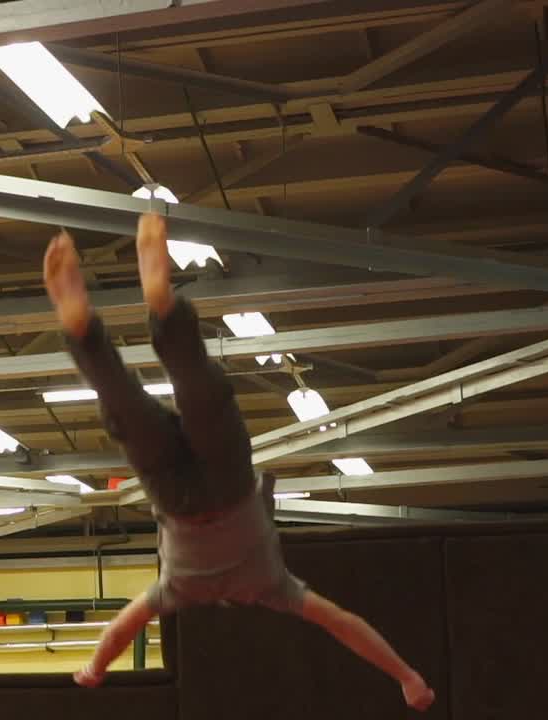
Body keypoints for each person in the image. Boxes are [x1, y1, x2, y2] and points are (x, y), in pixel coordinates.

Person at [42, 213, 435, 711]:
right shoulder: (178, 589)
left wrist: (407, 675)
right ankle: (94, 328)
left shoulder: (273, 586)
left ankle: (162, 310)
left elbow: (343, 624)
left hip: (229, 487)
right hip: (176, 497)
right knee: (125, 406)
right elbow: (124, 626)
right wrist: (95, 666)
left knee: (203, 396)